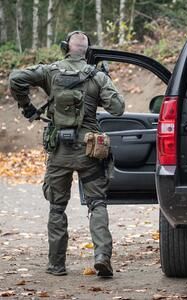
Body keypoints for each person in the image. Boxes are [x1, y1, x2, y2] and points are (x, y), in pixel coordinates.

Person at [9, 31, 125, 277]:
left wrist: (27, 107)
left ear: (65, 48)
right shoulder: (98, 76)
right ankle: (102, 257)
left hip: (59, 152)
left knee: (57, 207)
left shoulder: (49, 71)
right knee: (97, 203)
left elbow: (16, 78)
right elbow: (117, 108)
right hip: (90, 151)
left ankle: (57, 265)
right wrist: (106, 79)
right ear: (87, 51)